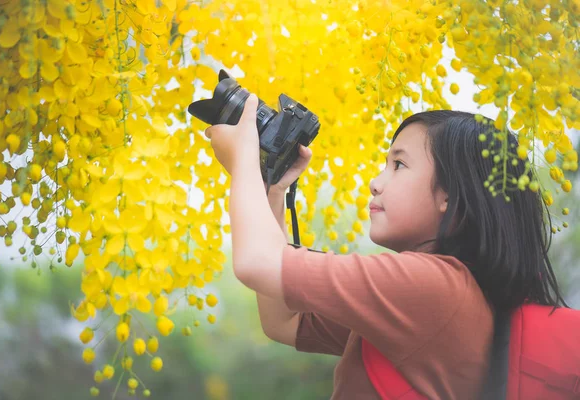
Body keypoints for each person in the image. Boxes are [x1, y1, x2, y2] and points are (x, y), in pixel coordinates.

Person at [204, 94, 570, 399]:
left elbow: (256, 262)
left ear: (450, 195)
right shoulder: (447, 297)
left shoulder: (430, 287)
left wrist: (244, 163)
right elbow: (284, 321)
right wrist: (274, 191)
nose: (375, 183)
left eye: (399, 165)